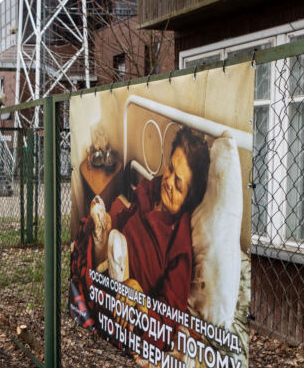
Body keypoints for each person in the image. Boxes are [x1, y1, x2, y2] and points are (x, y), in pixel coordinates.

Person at [70, 126, 210, 345]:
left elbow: (169, 318)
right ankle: (100, 243)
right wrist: (109, 223)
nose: (169, 182)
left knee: (103, 288)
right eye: (170, 169)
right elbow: (125, 220)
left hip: (126, 302)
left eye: (179, 185)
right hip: (111, 259)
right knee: (99, 233)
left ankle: (105, 275)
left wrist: (139, 298)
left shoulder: (179, 244)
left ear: (189, 199)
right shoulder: (151, 190)